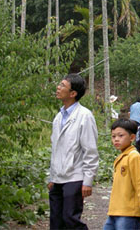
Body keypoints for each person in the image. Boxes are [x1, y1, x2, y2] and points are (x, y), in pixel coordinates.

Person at [48, 73, 99, 229]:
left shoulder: (84, 116)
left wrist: (88, 180)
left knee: (70, 219)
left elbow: (90, 150)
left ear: (73, 93)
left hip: (74, 176)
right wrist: (51, 176)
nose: (58, 87)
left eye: (62, 85)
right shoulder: (58, 117)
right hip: (57, 178)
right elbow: (55, 150)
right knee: (56, 222)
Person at [105, 119, 140, 229]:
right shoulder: (121, 157)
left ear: (132, 137)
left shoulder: (133, 157)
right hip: (115, 211)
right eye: (113, 136)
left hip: (129, 213)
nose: (116, 139)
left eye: (120, 135)